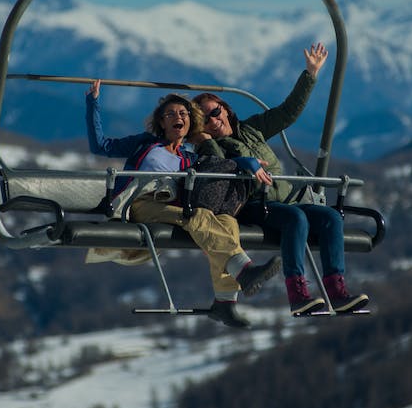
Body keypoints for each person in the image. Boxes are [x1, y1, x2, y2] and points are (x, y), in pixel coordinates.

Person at [85, 80, 281, 329]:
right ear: (162, 123)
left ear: (190, 122)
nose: (178, 117)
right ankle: (244, 270)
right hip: (143, 202)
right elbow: (100, 145)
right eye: (171, 114)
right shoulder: (146, 143)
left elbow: (218, 164)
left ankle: (225, 302)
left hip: (177, 206)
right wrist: (93, 103)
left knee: (227, 222)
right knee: (196, 217)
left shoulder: (190, 156)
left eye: (183, 113)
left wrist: (245, 161)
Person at [192, 42, 369, 315]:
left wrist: (310, 74)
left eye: (215, 112)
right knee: (295, 220)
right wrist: (202, 138)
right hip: (253, 206)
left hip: (286, 200)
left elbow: (287, 113)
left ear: (225, 110)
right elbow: (218, 165)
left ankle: (337, 291)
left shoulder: (252, 129)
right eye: (205, 120)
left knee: (331, 218)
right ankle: (298, 294)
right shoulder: (214, 147)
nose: (213, 121)